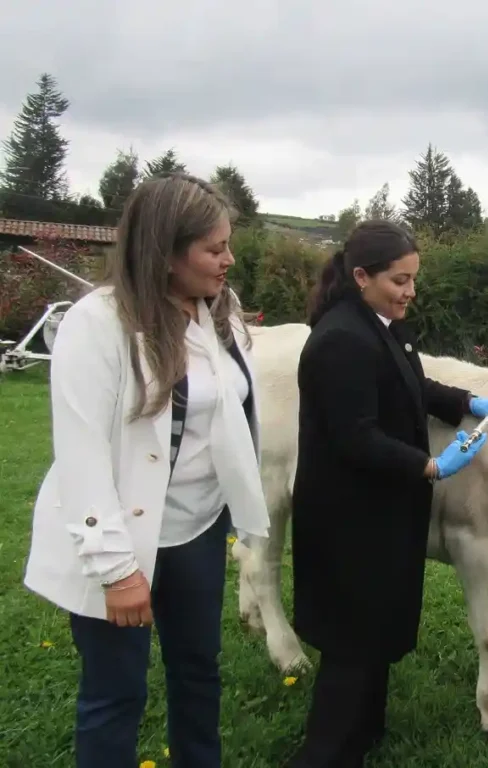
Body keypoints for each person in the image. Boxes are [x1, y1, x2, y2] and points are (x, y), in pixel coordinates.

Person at [23, 172, 270, 768]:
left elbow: (230, 416)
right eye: (214, 249)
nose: (229, 259)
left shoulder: (220, 315)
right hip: (121, 537)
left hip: (199, 530)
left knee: (198, 673)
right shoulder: (99, 323)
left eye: (227, 244)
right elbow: (80, 453)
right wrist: (116, 569)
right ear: (164, 252)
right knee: (116, 692)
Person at [285, 220, 488, 768]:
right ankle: (323, 755)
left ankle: (365, 736)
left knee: (374, 633)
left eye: (414, 279)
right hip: (349, 518)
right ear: (362, 276)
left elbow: (415, 387)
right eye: (400, 280)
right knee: (350, 644)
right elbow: (355, 437)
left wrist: (471, 401)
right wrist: (431, 465)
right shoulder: (340, 340)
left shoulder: (383, 325)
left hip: (381, 511)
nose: (411, 292)